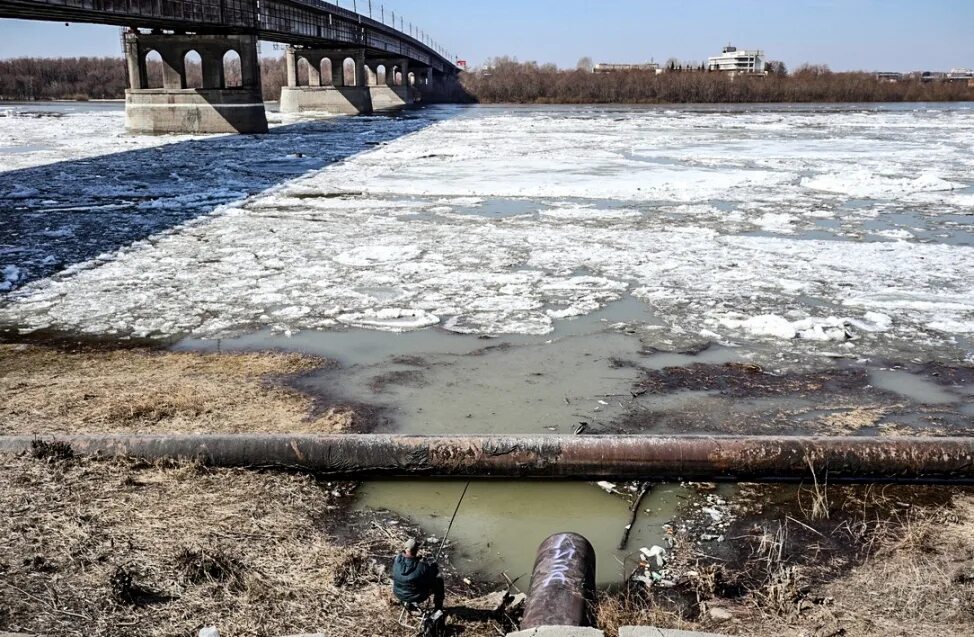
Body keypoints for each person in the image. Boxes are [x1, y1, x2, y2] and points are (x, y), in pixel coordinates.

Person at [392, 538, 445, 611]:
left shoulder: (397, 560)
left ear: (405, 549)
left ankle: (409, 605)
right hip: (416, 597)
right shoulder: (422, 567)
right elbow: (432, 581)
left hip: (398, 594)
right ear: (417, 550)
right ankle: (438, 609)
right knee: (439, 581)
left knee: (410, 582)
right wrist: (434, 568)